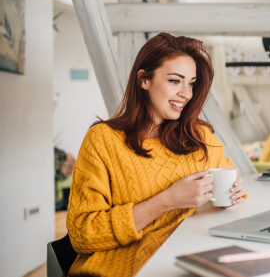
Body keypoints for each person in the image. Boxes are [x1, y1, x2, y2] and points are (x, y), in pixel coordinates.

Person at [66, 33, 246, 276]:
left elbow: (230, 183)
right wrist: (168, 200)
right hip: (122, 268)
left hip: (186, 259)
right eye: (175, 81)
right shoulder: (103, 140)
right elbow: (82, 234)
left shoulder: (200, 137)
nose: (186, 93)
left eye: (191, 83)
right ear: (144, 80)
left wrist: (235, 191)